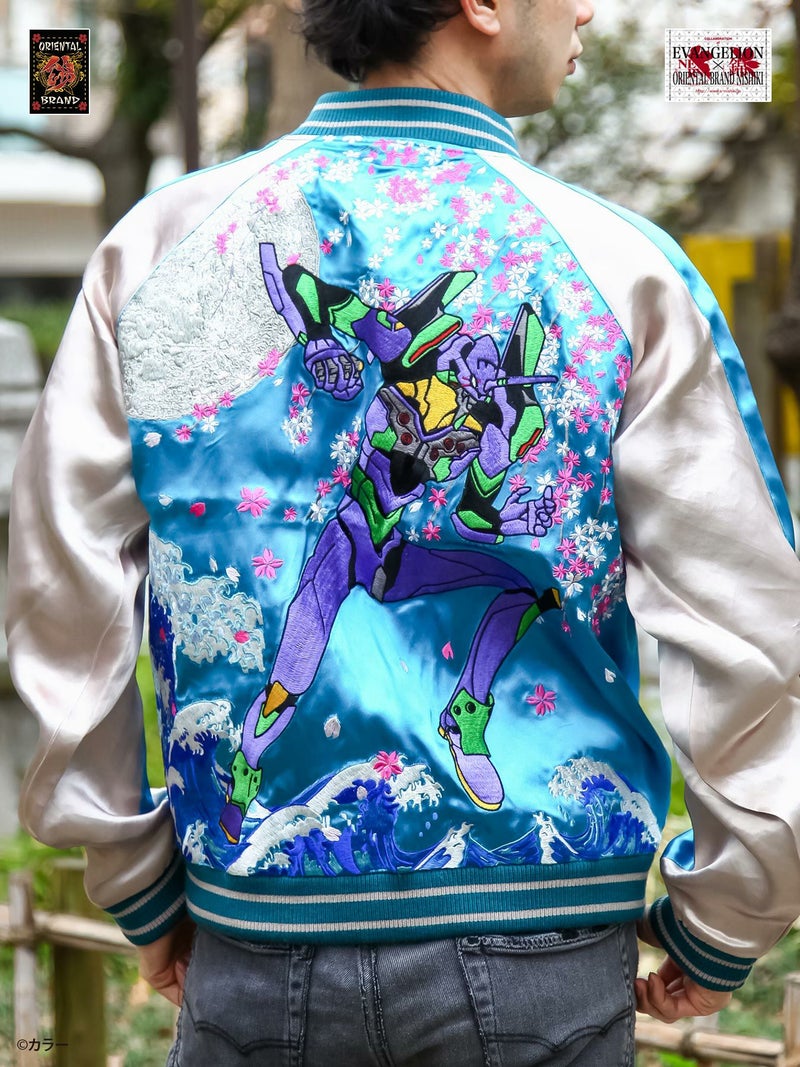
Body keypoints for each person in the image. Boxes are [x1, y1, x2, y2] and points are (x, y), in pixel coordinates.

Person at [7, 0, 800, 1062]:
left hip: (252, 938)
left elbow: (58, 591)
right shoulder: (620, 268)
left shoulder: (156, 247)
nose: (585, 9)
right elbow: (749, 619)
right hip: (532, 939)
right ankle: (263, 747)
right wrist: (731, 910)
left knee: (510, 583)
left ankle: (453, 717)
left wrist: (134, 872)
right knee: (305, 646)